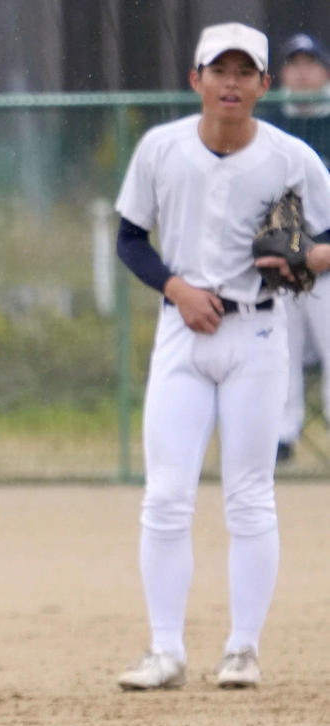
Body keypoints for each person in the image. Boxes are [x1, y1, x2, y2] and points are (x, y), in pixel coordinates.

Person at [112, 23, 330, 692]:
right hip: (183, 333)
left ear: (264, 84)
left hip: (259, 335)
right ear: (196, 79)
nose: (231, 82)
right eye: (219, 69)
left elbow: (325, 238)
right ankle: (166, 650)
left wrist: (308, 259)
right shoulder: (162, 149)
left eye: (244, 71)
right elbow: (129, 237)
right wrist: (176, 288)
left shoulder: (292, 159)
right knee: (167, 495)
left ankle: (242, 649)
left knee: (249, 496)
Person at [272, 33, 330, 462]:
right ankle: (282, 435)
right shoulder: (269, 124)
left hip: (329, 255)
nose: (303, 71)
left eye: (311, 63)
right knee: (281, 349)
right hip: (283, 256)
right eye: (294, 63)